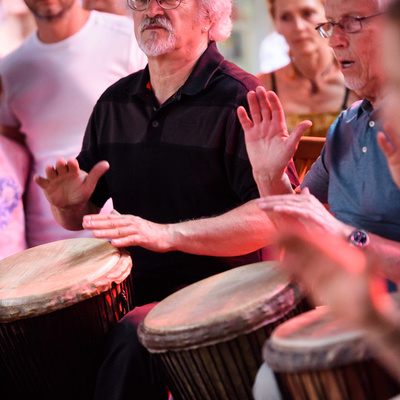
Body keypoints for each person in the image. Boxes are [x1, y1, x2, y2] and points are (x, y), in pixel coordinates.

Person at [34, 0, 299, 398]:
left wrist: (167, 234)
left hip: (225, 292)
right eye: (140, 0)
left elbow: (274, 217)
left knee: (131, 335)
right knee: (50, 333)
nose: (151, 9)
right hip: (128, 289)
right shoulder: (114, 102)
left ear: (211, 15)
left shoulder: (242, 98)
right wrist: (68, 205)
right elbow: (79, 216)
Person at [238, 0, 400, 286]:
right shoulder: (345, 126)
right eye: (332, 25)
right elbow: (298, 229)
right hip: (350, 315)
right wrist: (267, 176)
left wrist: (343, 235)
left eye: (352, 22)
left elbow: (332, 230)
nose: (335, 41)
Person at [0, 0, 146, 248]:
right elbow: (11, 160)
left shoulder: (129, 39)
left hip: (121, 233)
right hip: (46, 247)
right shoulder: (10, 70)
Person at [258, 0, 359, 138]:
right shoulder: (263, 87)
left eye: (307, 13)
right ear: (276, 24)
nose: (298, 27)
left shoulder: (357, 80)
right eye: (286, 17)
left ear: (328, 16)